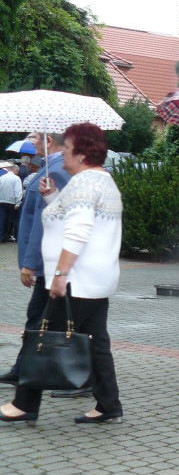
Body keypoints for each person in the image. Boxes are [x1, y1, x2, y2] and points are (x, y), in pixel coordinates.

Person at [1, 123, 124, 424]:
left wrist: (60, 274)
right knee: (97, 344)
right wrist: (52, 196)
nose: (63, 154)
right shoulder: (102, 181)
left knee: (43, 338)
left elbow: (78, 232)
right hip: (97, 280)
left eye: (67, 149)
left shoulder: (84, 184)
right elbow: (76, 219)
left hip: (77, 280)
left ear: (81, 154)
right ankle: (109, 404)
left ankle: (24, 403)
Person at [0, 133, 73, 390]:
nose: (29, 140)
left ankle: (81, 376)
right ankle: (24, 370)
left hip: (49, 263)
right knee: (40, 319)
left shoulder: (57, 171)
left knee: (50, 321)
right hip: (48, 264)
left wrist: (31, 263)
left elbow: (47, 223)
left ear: (48, 139)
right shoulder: (47, 167)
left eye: (33, 135)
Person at [0, 162, 22, 242]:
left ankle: (2, 236)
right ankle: (17, 237)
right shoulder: (16, 178)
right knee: (15, 219)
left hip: (1, 201)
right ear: (15, 170)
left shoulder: (2, 177)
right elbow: (18, 191)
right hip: (11, 202)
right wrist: (18, 202)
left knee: (2, 219)